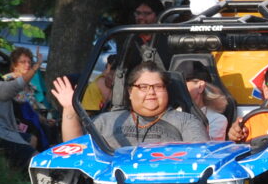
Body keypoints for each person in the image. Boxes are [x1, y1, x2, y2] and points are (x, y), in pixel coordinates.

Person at [54, 61, 207, 147]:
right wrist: (69, 110)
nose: (151, 92)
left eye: (158, 87)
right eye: (143, 87)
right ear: (130, 92)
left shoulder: (186, 121)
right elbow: (75, 149)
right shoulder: (106, 121)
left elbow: (201, 158)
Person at [174, 60, 229, 141]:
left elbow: (208, 148)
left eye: (182, 83)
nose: (177, 87)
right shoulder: (171, 113)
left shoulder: (216, 120)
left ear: (200, 87)